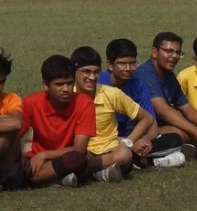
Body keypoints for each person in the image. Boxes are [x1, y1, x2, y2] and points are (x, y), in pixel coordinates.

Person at [120, 31, 197, 158]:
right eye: (169, 51)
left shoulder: (169, 76)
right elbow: (162, 110)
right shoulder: (145, 74)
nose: (174, 56)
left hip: (158, 128)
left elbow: (187, 109)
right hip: (137, 131)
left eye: (178, 53)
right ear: (154, 52)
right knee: (182, 135)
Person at [71, 46, 152, 181]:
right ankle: (101, 172)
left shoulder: (111, 93)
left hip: (111, 149)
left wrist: (127, 141)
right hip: (84, 150)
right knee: (74, 156)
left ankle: (83, 171)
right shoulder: (68, 96)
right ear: (74, 72)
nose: (92, 77)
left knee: (125, 155)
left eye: (96, 72)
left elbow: (147, 118)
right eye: (86, 72)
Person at [103, 39, 187, 168]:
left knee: (175, 139)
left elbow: (152, 124)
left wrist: (144, 141)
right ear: (110, 65)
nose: (128, 69)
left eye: (132, 63)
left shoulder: (137, 84)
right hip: (107, 141)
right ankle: (149, 161)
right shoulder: (100, 85)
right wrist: (129, 143)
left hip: (132, 137)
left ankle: (139, 160)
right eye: (122, 64)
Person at [18, 54, 99, 187]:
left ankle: (44, 179)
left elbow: (79, 149)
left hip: (65, 158)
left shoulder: (84, 103)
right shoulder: (31, 102)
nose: (66, 89)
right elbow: (15, 136)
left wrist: (45, 155)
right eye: (59, 84)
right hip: (37, 161)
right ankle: (54, 179)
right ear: (46, 85)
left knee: (77, 160)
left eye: (69, 83)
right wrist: (20, 158)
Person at [0, 48, 24, 190]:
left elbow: (17, 122)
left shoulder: (11, 99)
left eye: (2, 81)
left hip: (9, 172)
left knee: (7, 133)